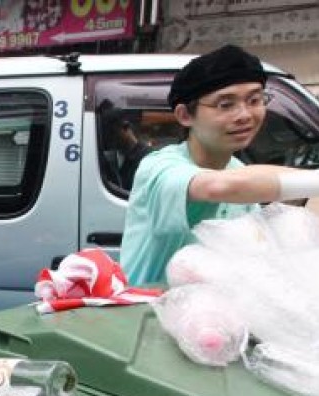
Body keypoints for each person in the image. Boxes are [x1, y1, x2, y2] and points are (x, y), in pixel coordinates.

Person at [120, 44, 319, 285]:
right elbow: (217, 187)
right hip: (144, 306)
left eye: (254, 100)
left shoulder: (239, 172)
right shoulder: (160, 167)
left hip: (209, 307)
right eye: (226, 104)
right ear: (185, 115)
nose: (245, 115)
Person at [100, 105, 149, 191]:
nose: (111, 139)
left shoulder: (146, 158)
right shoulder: (111, 159)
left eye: (114, 133)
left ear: (126, 127)